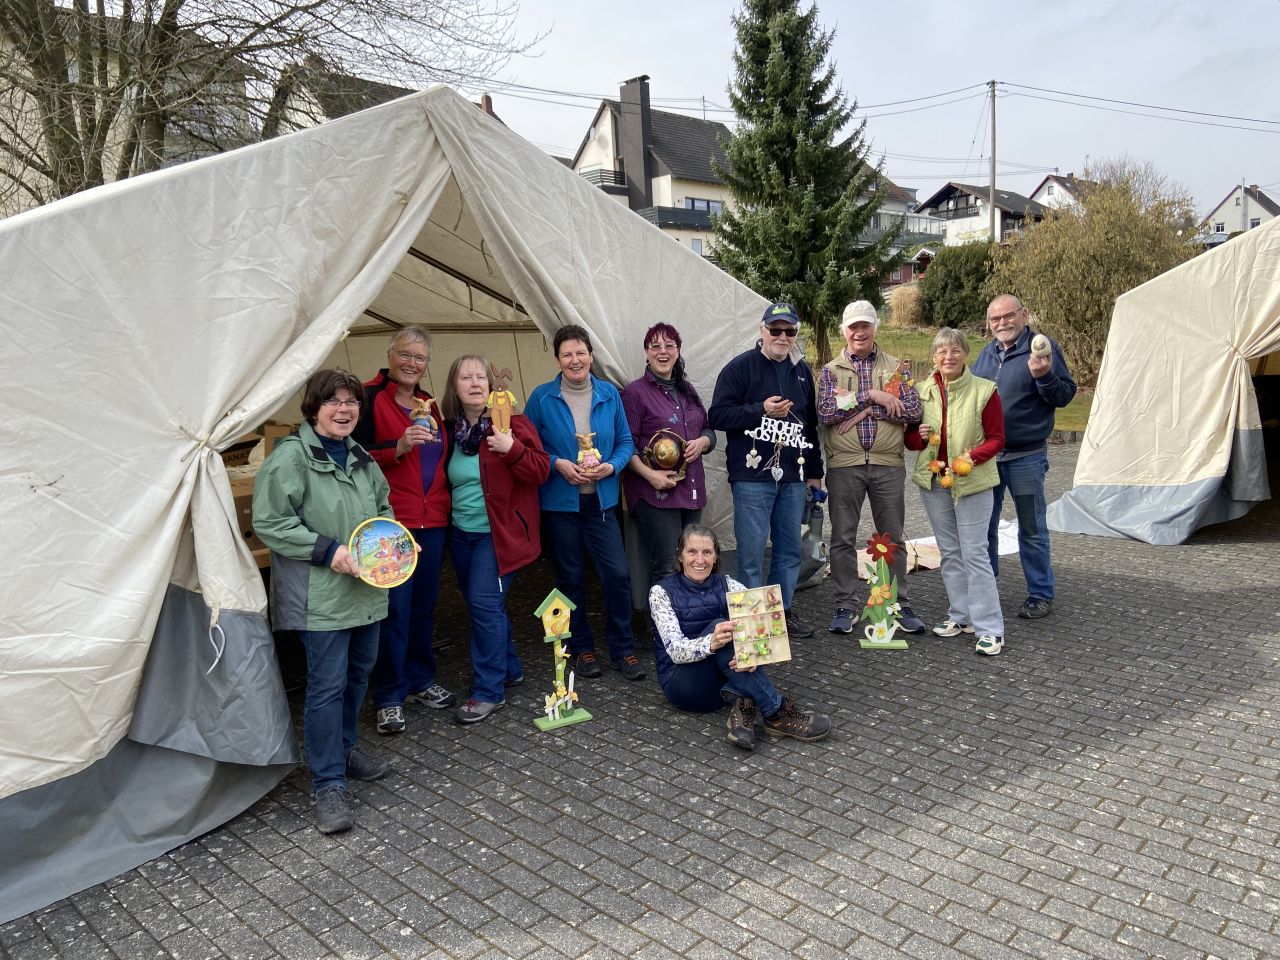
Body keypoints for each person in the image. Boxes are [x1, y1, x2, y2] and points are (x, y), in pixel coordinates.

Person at [252, 369, 393, 834]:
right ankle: (327, 781)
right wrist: (328, 551)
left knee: (358, 675)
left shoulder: (361, 458)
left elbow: (383, 508)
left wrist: (393, 541)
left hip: (365, 591)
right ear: (314, 408)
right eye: (333, 401)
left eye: (352, 402)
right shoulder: (291, 459)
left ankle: (345, 748)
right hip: (321, 598)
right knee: (326, 686)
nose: (344, 409)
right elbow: (270, 522)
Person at [525, 325, 645, 681]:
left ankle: (622, 648)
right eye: (567, 354)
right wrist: (557, 464)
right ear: (557, 359)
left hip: (603, 504)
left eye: (580, 353)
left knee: (618, 576)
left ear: (591, 355)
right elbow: (530, 448)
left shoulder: (609, 394)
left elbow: (625, 442)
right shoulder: (542, 398)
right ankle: (581, 648)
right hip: (560, 507)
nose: (575, 360)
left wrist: (612, 465)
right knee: (570, 578)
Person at [353, 327, 457, 736]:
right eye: (405, 355)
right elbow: (352, 458)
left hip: (433, 521)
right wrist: (395, 448)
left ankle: (419, 679)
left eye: (421, 358)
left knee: (425, 606)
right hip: (391, 525)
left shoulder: (427, 404)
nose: (412, 363)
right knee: (394, 611)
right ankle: (389, 695)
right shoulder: (367, 397)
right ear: (389, 354)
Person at [649, 524, 831, 751]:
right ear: (680, 555)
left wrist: (753, 654)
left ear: (716, 557)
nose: (700, 559)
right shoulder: (661, 592)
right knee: (722, 629)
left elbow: (759, 626)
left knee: (738, 635)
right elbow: (675, 651)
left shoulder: (728, 584)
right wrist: (712, 642)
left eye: (707, 552)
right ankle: (775, 712)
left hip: (723, 680)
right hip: (683, 685)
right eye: (692, 551)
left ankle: (743, 711)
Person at [440, 355, 550, 723]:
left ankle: (488, 690)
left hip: (499, 534)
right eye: (465, 377)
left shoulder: (512, 423)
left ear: (492, 385)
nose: (474, 383)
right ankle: (509, 666)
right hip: (462, 533)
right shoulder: (449, 430)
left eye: (480, 377)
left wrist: (512, 449)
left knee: (484, 604)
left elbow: (540, 470)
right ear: (454, 388)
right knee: (483, 605)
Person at [707, 302, 824, 638]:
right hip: (752, 479)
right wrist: (761, 411)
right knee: (752, 554)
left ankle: (783, 613)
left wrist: (815, 472)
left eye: (789, 331)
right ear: (762, 331)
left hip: (792, 478)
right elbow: (717, 416)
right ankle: (753, 624)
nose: (782, 337)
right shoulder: (740, 368)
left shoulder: (802, 373)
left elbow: (810, 427)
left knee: (789, 550)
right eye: (775, 330)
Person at [816, 300, 926, 636]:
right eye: (853, 326)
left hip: (887, 464)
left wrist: (861, 408)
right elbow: (825, 413)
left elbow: (912, 411)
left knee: (891, 538)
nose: (859, 332)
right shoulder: (830, 370)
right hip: (843, 465)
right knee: (842, 538)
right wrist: (874, 396)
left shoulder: (897, 368)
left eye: (865, 325)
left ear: (875, 327)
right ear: (844, 331)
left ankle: (895, 605)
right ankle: (846, 604)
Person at [970, 294, 1077, 620]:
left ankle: (1040, 594)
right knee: (984, 527)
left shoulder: (1042, 348)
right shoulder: (986, 354)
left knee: (1031, 528)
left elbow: (1065, 395)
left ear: (1024, 314)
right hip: (988, 457)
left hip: (1026, 457)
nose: (1001, 323)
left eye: (1007, 316)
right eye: (994, 319)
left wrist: (1043, 376)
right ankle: (985, 592)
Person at [905, 329, 1007, 655]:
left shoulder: (984, 390)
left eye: (955, 351)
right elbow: (910, 442)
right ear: (934, 357)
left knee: (975, 553)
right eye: (941, 352)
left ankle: (990, 628)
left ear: (965, 354)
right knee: (949, 552)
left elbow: (996, 438)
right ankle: (961, 616)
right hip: (935, 483)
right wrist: (918, 436)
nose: (948, 357)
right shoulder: (921, 393)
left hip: (973, 483)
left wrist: (971, 458)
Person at [621, 322, 716, 596]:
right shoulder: (635, 393)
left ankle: (688, 626)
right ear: (646, 353)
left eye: (669, 346)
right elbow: (625, 443)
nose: (662, 352)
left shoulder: (687, 390)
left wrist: (703, 442)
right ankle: (664, 634)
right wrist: (651, 475)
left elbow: (708, 429)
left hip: (692, 489)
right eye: (655, 346)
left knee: (693, 562)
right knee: (667, 564)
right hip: (654, 492)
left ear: (678, 351)